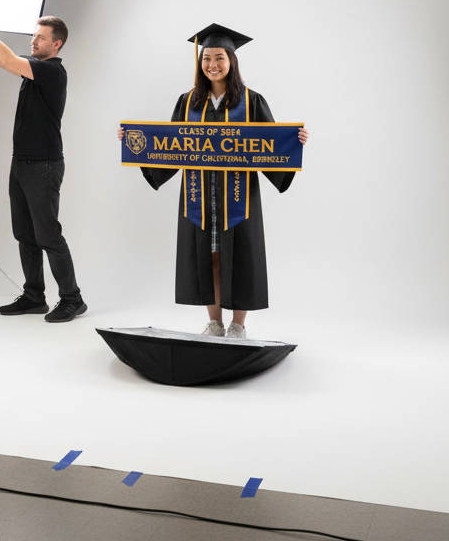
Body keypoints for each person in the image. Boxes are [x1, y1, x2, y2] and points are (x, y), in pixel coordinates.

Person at [118, 23, 308, 338]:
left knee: (241, 255)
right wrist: (135, 142)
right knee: (211, 256)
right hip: (200, 195)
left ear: (231, 61)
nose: (212, 65)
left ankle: (238, 325)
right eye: (206, 58)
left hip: (239, 197)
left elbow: (272, 144)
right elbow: (170, 146)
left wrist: (295, 141)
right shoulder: (189, 102)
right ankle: (215, 321)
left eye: (219, 58)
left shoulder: (251, 101)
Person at [0, 8, 86, 323]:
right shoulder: (34, 68)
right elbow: (4, 58)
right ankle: (34, 296)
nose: (33, 41)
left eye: (40, 37)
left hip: (43, 166)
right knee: (25, 234)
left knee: (48, 235)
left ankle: (73, 299)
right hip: (21, 164)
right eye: (33, 35)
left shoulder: (53, 71)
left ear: (56, 44)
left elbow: (6, 60)